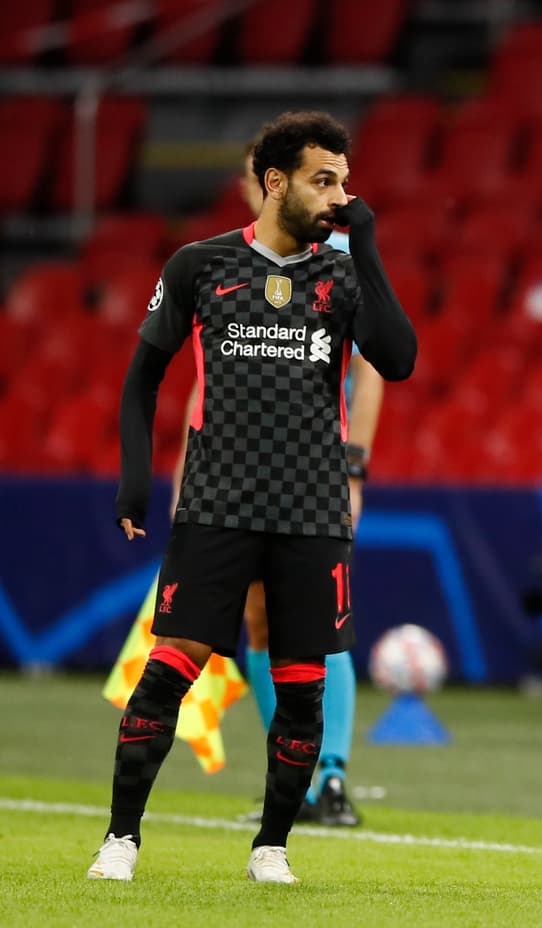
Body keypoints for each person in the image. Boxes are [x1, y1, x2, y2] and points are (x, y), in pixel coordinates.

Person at [89, 111, 416, 883]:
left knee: (300, 686)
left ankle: (272, 846)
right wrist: (136, 474)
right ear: (276, 182)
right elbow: (143, 378)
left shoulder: (340, 275)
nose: (340, 195)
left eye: (345, 180)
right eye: (323, 180)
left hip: (310, 511)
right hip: (216, 504)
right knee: (169, 668)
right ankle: (121, 839)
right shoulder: (199, 265)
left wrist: (365, 246)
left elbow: (397, 360)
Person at [171, 142, 385, 826]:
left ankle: (332, 777)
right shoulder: (226, 265)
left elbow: (376, 365)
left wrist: (354, 462)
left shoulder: (337, 260)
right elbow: (208, 379)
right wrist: (186, 475)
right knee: (258, 619)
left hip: (315, 468)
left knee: (316, 618)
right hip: (237, 471)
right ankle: (290, 777)